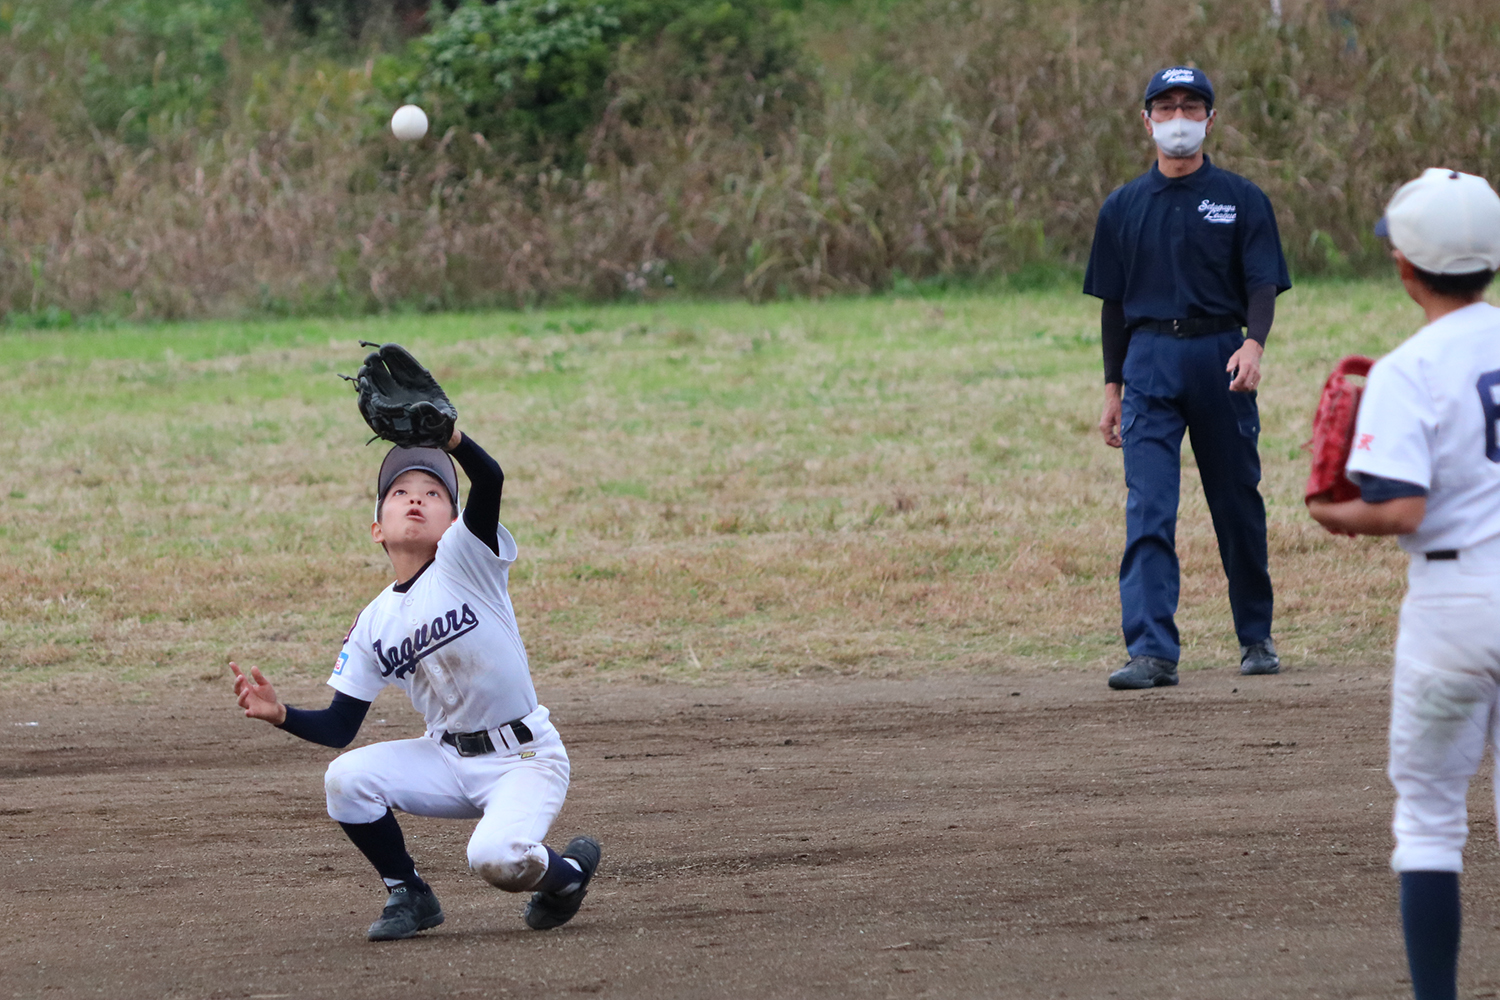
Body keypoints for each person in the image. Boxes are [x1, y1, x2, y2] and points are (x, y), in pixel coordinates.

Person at [230, 425, 601, 941]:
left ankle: (568, 877)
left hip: (525, 758)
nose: (415, 502)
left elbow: (489, 478)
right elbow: (340, 727)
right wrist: (282, 714)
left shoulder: (468, 561)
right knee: (345, 778)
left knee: (494, 859)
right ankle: (409, 891)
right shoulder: (373, 622)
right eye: (400, 494)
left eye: (433, 495)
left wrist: (453, 439)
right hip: (446, 760)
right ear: (377, 528)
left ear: (454, 522)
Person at [1308, 168, 1500, 1000]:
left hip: (1454, 609)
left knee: (1428, 823)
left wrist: (1333, 513)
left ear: (1403, 267)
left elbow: (1404, 509)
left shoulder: (1407, 367)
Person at [1083, 66, 1292, 690]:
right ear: (1146, 120)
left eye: (1191, 106)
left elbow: (1261, 283)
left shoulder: (1241, 197)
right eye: (1167, 107)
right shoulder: (1121, 208)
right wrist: (1112, 387)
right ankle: (1151, 649)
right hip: (1148, 360)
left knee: (1236, 500)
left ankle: (1257, 636)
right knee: (1148, 504)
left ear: (1210, 118)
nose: (1179, 118)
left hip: (1221, 357)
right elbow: (1113, 305)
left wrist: (1253, 344)